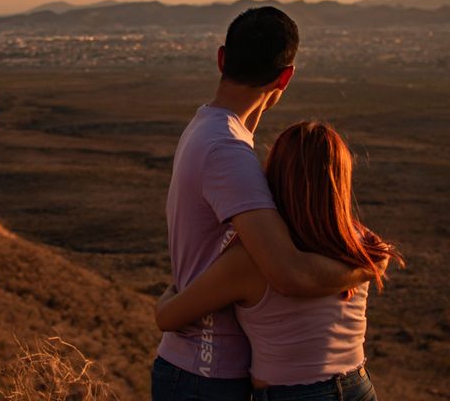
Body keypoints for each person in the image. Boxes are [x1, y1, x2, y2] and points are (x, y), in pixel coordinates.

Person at [152, 6, 385, 401]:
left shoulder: (209, 129)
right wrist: (365, 265)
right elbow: (289, 274)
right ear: (285, 77)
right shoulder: (227, 149)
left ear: (222, 58)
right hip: (206, 371)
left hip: (205, 369)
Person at [155, 121, 404, 400]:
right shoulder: (360, 243)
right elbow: (380, 255)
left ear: (275, 172)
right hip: (358, 386)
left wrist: (173, 288)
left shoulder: (254, 259)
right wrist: (370, 265)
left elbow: (168, 317)